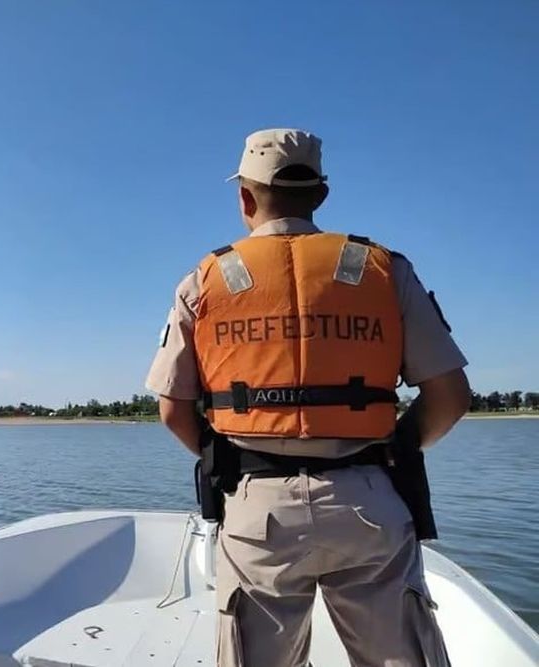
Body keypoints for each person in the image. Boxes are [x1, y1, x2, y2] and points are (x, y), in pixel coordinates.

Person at [145, 128, 470, 667]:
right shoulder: (384, 270)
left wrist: (229, 455)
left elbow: (172, 409)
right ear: (321, 194)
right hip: (370, 498)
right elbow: (450, 396)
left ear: (245, 197)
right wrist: (392, 449)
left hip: (257, 510)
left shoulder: (204, 281)